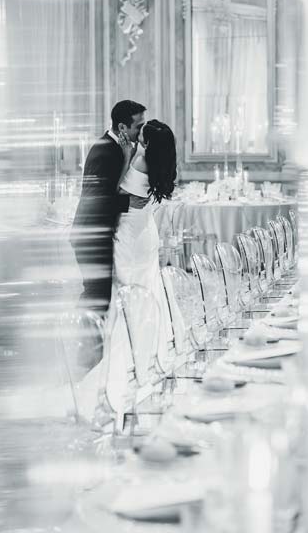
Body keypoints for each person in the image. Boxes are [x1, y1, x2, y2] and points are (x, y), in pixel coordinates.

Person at [73, 118, 181, 422]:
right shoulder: (160, 163)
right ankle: (151, 351)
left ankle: (128, 358)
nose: (136, 137)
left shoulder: (140, 160)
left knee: (126, 292)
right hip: (145, 233)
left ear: (147, 142)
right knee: (148, 289)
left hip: (129, 238)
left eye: (141, 134)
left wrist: (127, 155)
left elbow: (115, 191)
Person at [70, 99, 149, 314]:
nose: (142, 131)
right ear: (122, 127)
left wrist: (127, 157)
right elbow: (95, 200)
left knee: (100, 296)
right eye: (139, 126)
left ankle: (87, 331)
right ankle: (80, 332)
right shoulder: (104, 151)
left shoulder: (118, 148)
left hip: (97, 233)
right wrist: (128, 202)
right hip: (91, 236)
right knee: (97, 296)